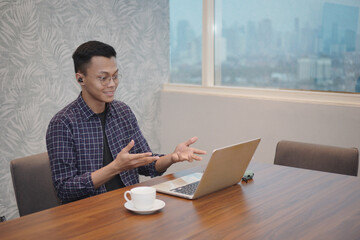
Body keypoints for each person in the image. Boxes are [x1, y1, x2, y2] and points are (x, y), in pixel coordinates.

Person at [46, 41, 206, 204]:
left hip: (129, 204)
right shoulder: (63, 123)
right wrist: (116, 167)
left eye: (115, 76)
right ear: (81, 79)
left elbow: (146, 164)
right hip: (89, 213)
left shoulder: (122, 112)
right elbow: (64, 189)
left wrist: (172, 157)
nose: (112, 84)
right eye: (103, 78)